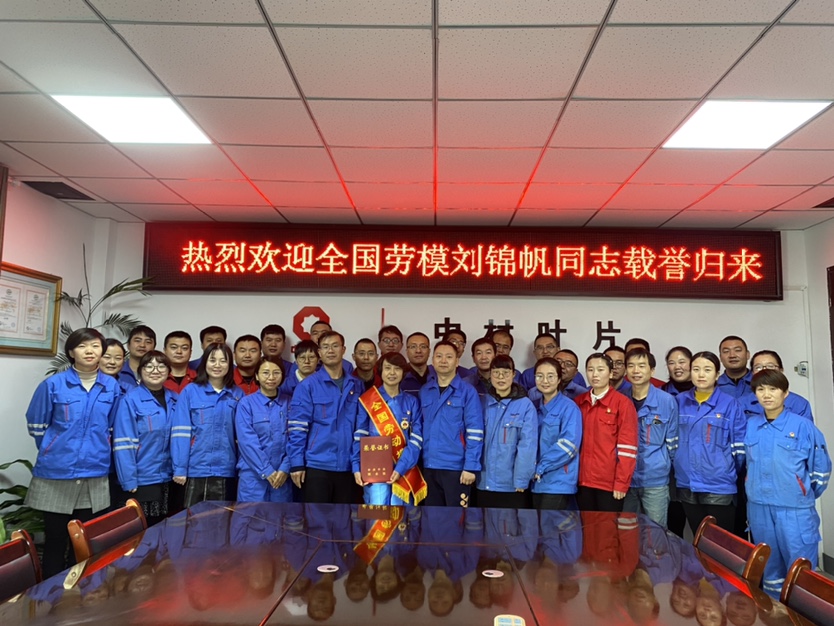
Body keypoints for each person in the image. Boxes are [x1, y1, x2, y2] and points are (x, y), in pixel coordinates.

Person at [25, 328, 119, 577]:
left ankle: (81, 592)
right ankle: (51, 594)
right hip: (56, 474)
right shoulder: (53, 385)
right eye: (82, 346)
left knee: (85, 542)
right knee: (55, 540)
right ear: (71, 352)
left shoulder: (111, 386)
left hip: (94, 473)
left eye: (96, 346)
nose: (90, 351)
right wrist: (55, 449)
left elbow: (111, 425)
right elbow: (36, 424)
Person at [745, 369, 830, 598]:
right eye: (761, 389)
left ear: (785, 393)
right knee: (769, 568)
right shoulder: (752, 425)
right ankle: (775, 612)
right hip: (759, 508)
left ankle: (804, 612)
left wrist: (800, 492)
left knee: (800, 568)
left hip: (794, 511)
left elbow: (820, 470)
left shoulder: (803, 426)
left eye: (773, 389)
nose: (767, 395)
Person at [288, 330, 363, 503]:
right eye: (326, 347)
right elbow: (297, 427)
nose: (331, 350)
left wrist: (358, 462)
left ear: (343, 350)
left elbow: (361, 427)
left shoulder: (356, 385)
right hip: (317, 465)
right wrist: (297, 463)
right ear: (319, 353)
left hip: (348, 466)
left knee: (344, 518)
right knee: (316, 517)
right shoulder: (307, 386)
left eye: (335, 346)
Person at [675, 351, 746, 533]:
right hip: (687, 482)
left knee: (720, 543)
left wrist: (724, 468)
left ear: (717, 374)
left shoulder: (730, 404)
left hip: (719, 485)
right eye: (696, 369)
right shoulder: (679, 402)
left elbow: (739, 449)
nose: (701, 374)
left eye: (707, 370)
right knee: (698, 540)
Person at [171, 342, 244, 506]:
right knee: (193, 518)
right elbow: (180, 433)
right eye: (212, 360)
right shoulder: (190, 391)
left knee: (222, 518)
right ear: (204, 363)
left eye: (223, 361)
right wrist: (180, 468)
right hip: (196, 468)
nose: (217, 365)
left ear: (230, 365)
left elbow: (242, 436)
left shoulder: (237, 394)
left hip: (226, 469)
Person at [113, 350, 176, 526]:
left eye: (161, 366)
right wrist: (128, 479)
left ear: (168, 371)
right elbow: (123, 444)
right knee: (141, 531)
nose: (155, 370)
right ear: (140, 371)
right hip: (141, 479)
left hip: (168, 478)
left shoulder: (175, 399)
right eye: (149, 366)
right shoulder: (130, 400)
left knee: (163, 530)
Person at [353, 351, 425, 505]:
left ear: (403, 372)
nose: (392, 373)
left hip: (404, 470)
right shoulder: (368, 400)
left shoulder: (412, 402)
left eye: (397, 368)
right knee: (377, 516)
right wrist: (356, 467)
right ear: (380, 371)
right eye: (387, 368)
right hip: (374, 470)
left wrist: (401, 467)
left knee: (401, 517)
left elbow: (416, 439)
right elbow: (360, 436)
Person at [420, 340, 484, 507]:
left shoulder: (467, 392)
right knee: (432, 518)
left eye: (449, 357)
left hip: (457, 468)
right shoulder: (425, 391)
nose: (443, 361)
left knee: (457, 518)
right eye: (439, 356)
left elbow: (475, 432)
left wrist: (470, 466)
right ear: (432, 360)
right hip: (429, 466)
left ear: (457, 361)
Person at [623, 348, 679, 528]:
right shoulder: (621, 400)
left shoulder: (666, 401)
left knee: (656, 533)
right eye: (631, 366)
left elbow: (673, 443)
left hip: (655, 480)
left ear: (652, 370)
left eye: (641, 366)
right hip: (626, 480)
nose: (636, 371)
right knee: (626, 533)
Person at [575, 352, 638, 512]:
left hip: (609, 483)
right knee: (587, 525)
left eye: (600, 369)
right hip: (582, 481)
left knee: (607, 526)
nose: (595, 374)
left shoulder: (622, 404)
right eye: (590, 370)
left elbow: (628, 448)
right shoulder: (579, 402)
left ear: (610, 373)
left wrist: (621, 483)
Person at [474, 355, 536, 509]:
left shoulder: (525, 405)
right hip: (483, 481)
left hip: (511, 484)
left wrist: (521, 480)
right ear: (490, 374)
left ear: (513, 374)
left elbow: (527, 446)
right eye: (496, 373)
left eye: (505, 373)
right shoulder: (482, 402)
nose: (500, 377)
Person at [235, 357, 292, 502]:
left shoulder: (290, 403)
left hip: (281, 477)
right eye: (265, 373)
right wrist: (267, 470)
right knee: (249, 516)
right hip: (253, 478)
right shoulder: (246, 404)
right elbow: (247, 442)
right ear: (257, 376)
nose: (271, 377)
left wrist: (285, 468)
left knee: (280, 516)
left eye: (276, 373)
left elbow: (295, 439)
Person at [530, 357, 582, 510]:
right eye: (540, 376)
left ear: (559, 379)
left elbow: (569, 445)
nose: (545, 381)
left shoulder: (569, 408)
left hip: (558, 482)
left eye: (551, 376)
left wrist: (541, 467)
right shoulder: (533, 407)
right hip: (535, 482)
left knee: (550, 524)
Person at [743, 350, 813, 421]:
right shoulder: (742, 403)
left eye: (770, 366)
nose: (765, 371)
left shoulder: (799, 403)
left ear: (781, 370)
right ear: (752, 372)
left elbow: (805, 427)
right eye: (758, 367)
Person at [717, 335, 752, 400]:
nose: (732, 355)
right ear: (720, 357)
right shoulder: (713, 386)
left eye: (737, 350)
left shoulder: (759, 382)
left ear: (748, 354)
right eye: (726, 351)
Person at [402, 331, 431, 396]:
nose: (418, 351)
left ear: (429, 351)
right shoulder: (399, 376)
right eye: (413, 347)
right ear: (407, 351)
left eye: (423, 347)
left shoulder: (437, 376)